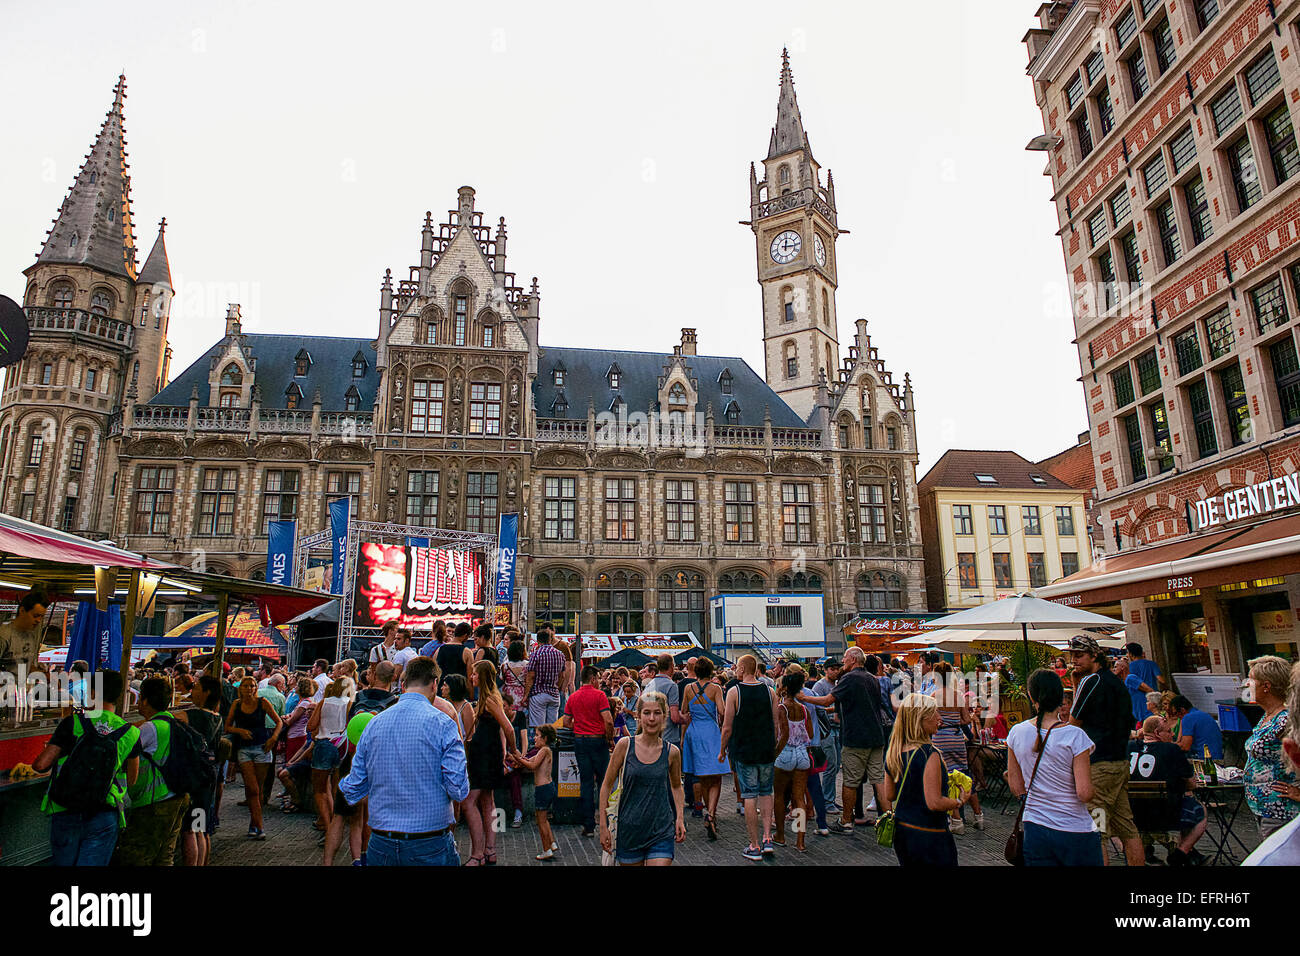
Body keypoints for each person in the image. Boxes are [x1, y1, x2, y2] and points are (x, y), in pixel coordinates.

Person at [340, 655, 468, 865]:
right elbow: (458, 789)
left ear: (402, 684)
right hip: (430, 840)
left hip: (382, 841)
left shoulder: (374, 724)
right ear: (435, 684)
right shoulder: (443, 724)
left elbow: (353, 788)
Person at [32, 669, 140, 866]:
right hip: (105, 812)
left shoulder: (73, 722)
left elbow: (41, 765)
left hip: (66, 808)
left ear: (92, 693)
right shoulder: (131, 732)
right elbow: (132, 779)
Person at [1005, 668, 1100, 866]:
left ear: (1031, 696)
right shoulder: (1076, 736)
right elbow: (1084, 793)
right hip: (1075, 827)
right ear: (1060, 698)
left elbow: (1016, 786)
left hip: (1035, 825)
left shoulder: (1016, 732)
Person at [1068, 634, 1143, 866]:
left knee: (1095, 829)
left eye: (1079, 655)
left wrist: (1076, 684)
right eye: (1072, 655)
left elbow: (1073, 723)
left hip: (1098, 767)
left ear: (1094, 655)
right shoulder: (1116, 683)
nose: (1074, 660)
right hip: (1119, 763)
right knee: (1126, 826)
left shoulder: (1091, 682)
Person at [799, 647, 889, 832]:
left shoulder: (849, 678)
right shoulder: (873, 679)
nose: (843, 661)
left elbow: (826, 701)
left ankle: (846, 820)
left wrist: (804, 697)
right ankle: (889, 819)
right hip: (876, 735)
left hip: (856, 737)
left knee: (851, 781)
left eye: (846, 658)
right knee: (878, 780)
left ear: (854, 660)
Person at [599, 691, 686, 866]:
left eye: (657, 713)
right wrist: (603, 824)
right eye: (647, 713)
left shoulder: (672, 753)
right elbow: (606, 785)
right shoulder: (625, 746)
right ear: (638, 716)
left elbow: (676, 786)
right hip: (629, 829)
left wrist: (680, 817)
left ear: (664, 716)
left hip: (660, 828)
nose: (652, 718)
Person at [880, 693, 966, 866]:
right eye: (935, 713)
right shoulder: (929, 753)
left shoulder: (894, 751)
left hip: (903, 830)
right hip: (929, 832)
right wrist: (958, 801)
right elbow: (934, 802)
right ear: (921, 718)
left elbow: (889, 795)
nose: (939, 718)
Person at [114, 676, 193, 865]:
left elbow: (122, 753)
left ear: (146, 700)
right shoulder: (173, 722)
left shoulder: (150, 728)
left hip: (155, 802)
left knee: (137, 856)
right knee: (165, 855)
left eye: (140, 698)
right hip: (178, 796)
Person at [719, 653, 779, 861]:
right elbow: (776, 724)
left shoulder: (734, 692)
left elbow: (727, 727)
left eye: (737, 667)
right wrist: (774, 746)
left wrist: (721, 750)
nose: (736, 670)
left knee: (749, 796)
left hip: (744, 750)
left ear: (743, 669)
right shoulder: (770, 691)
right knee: (766, 793)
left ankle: (754, 845)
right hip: (765, 750)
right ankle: (767, 838)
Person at [1128, 715, 1208, 866]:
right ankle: (1181, 852)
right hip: (1166, 815)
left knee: (1105, 820)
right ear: (1158, 733)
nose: (1172, 734)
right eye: (1169, 731)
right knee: (1200, 810)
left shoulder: (1129, 747)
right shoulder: (1171, 749)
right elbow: (1191, 784)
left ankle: (1134, 853)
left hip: (1132, 815)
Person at [463, 660, 522, 865]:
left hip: (484, 756)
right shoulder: (491, 697)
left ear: (484, 676)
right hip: (489, 753)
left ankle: (477, 852)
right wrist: (506, 750)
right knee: (488, 802)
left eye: (475, 674)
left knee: (469, 802)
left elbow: (508, 727)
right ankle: (490, 850)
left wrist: (513, 751)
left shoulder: (489, 699)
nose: (472, 678)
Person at [1244, 661, 1300, 865]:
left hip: (1281, 809)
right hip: (1262, 808)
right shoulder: (1267, 717)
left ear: (1266, 686)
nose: (1246, 685)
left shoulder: (1285, 720)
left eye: (1250, 680)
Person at [225, 675, 283, 839]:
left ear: (256, 688)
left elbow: (278, 721)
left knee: (258, 788)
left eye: (252, 686)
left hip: (262, 748)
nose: (249, 689)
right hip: (244, 749)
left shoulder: (262, 702)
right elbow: (227, 726)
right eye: (246, 686)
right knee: (252, 789)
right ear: (240, 688)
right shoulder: (236, 704)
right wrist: (240, 731)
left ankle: (254, 823)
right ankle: (259, 826)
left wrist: (274, 738)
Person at [929, 660, 983, 833]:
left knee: (948, 778)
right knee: (965, 777)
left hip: (940, 740)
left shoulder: (933, 696)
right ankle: (978, 815)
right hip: (957, 738)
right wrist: (955, 721)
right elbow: (967, 719)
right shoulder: (958, 696)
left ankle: (956, 820)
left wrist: (944, 722)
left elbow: (932, 720)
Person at [681, 656, 729, 840]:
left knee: (702, 776)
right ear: (710, 671)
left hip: (694, 732)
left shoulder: (688, 688)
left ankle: (710, 813)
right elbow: (722, 711)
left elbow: (685, 710)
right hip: (711, 731)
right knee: (715, 777)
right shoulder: (715, 688)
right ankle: (711, 815)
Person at [563, 664, 613, 837]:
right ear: (593, 679)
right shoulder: (600, 695)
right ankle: (605, 821)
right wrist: (610, 738)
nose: (599, 682)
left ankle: (588, 825)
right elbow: (608, 720)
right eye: (598, 679)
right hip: (598, 740)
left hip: (580, 741)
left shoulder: (573, 697)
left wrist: (579, 726)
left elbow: (566, 722)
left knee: (585, 783)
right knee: (603, 782)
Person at [182, 675, 225, 866]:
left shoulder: (193, 715)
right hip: (209, 776)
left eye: (197, 687)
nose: (193, 690)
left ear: (206, 692)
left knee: (190, 829)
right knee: (200, 828)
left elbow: (164, 717)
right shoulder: (218, 717)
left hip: (195, 778)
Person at [306, 676, 351, 838]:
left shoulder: (324, 702)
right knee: (332, 788)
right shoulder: (349, 703)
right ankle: (333, 822)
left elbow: (310, 725)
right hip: (341, 747)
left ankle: (328, 827)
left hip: (324, 744)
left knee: (319, 790)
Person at [773, 672, 812, 852]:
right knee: (799, 798)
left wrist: (774, 754)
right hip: (802, 754)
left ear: (786, 688)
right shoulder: (803, 708)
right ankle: (800, 841)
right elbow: (810, 734)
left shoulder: (783, 708)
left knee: (780, 796)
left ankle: (780, 835)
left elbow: (784, 735)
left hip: (786, 753)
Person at [511, 724, 559, 861]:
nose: (534, 738)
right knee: (543, 819)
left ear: (545, 738)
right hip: (547, 788)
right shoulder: (543, 751)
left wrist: (518, 759)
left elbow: (532, 765)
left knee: (541, 821)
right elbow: (529, 760)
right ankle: (552, 843)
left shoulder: (544, 750)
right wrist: (517, 758)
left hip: (543, 789)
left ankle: (546, 850)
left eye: (537, 735)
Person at [811, 657, 843, 816]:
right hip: (827, 730)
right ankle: (827, 801)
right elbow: (819, 709)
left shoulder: (838, 684)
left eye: (837, 669)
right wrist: (835, 710)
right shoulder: (820, 686)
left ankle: (828, 797)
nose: (836, 671)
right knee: (831, 765)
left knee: (836, 766)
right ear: (825, 670)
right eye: (833, 669)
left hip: (838, 728)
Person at [523, 626, 565, 733]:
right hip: (554, 694)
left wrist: (526, 695)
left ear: (538, 640)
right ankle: (550, 748)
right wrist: (557, 688)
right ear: (550, 639)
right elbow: (562, 676)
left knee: (539, 729)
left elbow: (531, 676)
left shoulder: (536, 654)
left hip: (538, 694)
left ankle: (539, 748)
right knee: (551, 729)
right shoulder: (560, 654)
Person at [0, 590, 49, 677]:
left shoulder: (31, 636)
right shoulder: (4, 636)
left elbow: (26, 667)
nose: (38, 620)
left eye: (41, 616)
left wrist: (43, 675)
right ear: (22, 610)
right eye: (35, 616)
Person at [644, 654, 685, 748]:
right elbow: (674, 717)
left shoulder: (649, 684)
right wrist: (685, 718)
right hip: (669, 736)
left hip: (651, 735)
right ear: (671, 666)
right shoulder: (671, 685)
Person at [1124, 643, 1165, 726]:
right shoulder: (1152, 664)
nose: (1127, 655)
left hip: (1137, 702)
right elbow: (1162, 680)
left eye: (1127, 653)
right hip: (1153, 700)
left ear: (1131, 654)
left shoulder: (1130, 667)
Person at [500, 639, 529, 752]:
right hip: (522, 695)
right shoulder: (527, 665)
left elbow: (502, 678)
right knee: (523, 723)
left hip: (509, 695)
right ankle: (523, 748)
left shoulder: (505, 665)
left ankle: (508, 746)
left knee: (508, 721)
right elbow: (529, 680)